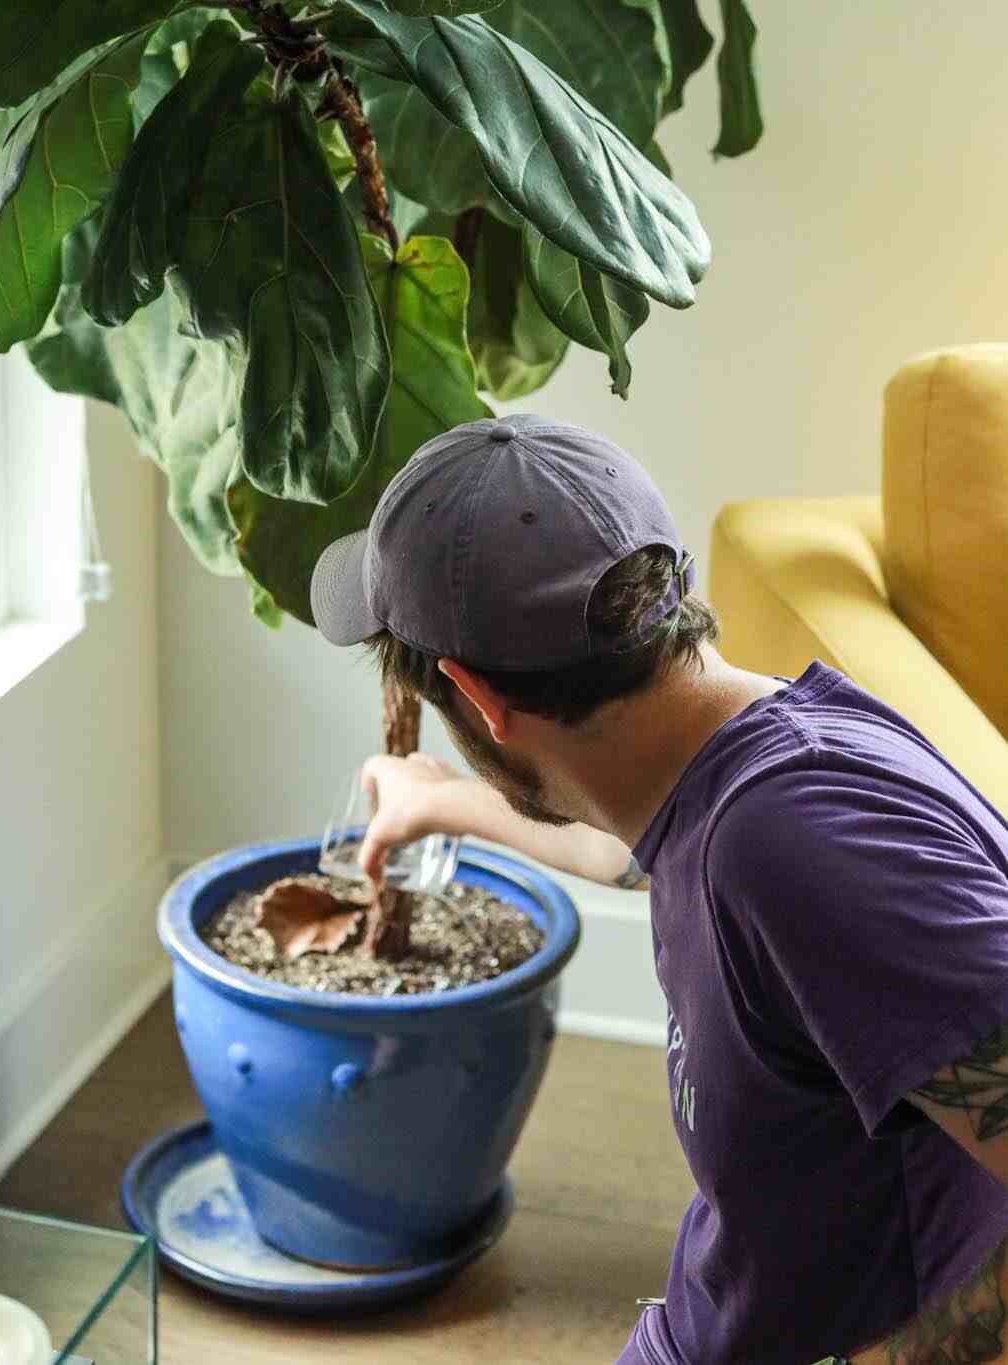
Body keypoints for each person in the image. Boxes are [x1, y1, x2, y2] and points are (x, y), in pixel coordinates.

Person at [309, 414, 1008, 1365]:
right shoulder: (725, 758)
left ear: (476, 698)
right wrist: (445, 801)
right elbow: (634, 846)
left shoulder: (799, 843)